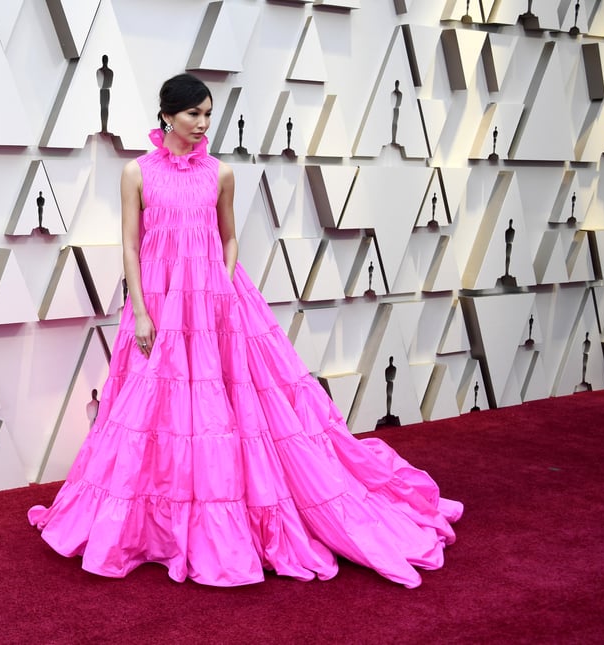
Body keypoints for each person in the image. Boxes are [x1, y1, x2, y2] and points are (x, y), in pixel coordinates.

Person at [28, 73, 461, 589]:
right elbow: (129, 246)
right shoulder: (136, 173)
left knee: (229, 409)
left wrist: (223, 286)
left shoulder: (221, 173)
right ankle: (156, 527)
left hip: (218, 305)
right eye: (194, 115)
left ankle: (228, 518)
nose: (203, 124)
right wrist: (141, 312)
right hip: (160, 306)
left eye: (209, 114)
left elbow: (229, 238)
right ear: (167, 114)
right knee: (151, 411)